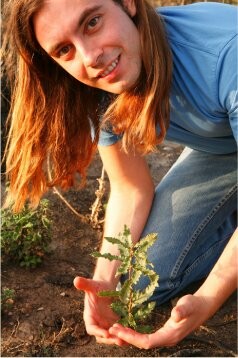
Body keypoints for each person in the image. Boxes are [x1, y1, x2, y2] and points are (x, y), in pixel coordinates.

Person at [2, 0, 237, 349]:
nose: (89, 57)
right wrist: (104, 281)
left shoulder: (225, 55)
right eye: (65, 50)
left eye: (92, 22)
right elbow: (130, 190)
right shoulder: (103, 84)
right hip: (224, 153)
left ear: (127, 3)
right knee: (138, 282)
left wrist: (208, 297)